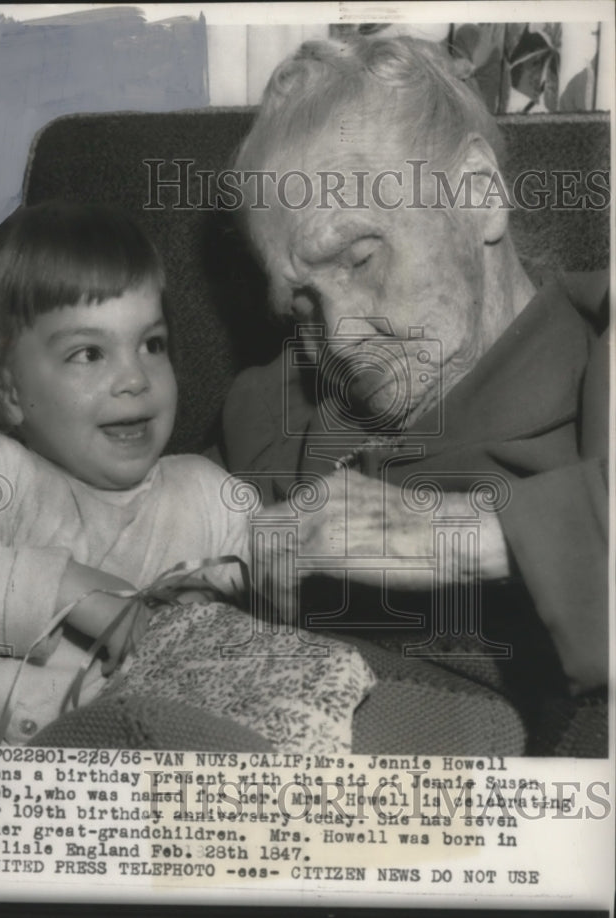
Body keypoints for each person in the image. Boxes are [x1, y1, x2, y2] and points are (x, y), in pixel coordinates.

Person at [222, 36, 609, 751]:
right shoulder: (279, 409)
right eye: (301, 304)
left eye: (360, 258)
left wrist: (461, 538)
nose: (337, 337)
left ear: (476, 193)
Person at [0, 201, 371, 749]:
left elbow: (280, 575)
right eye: (89, 353)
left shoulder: (204, 494)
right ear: (7, 389)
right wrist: (78, 590)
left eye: (152, 344)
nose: (134, 378)